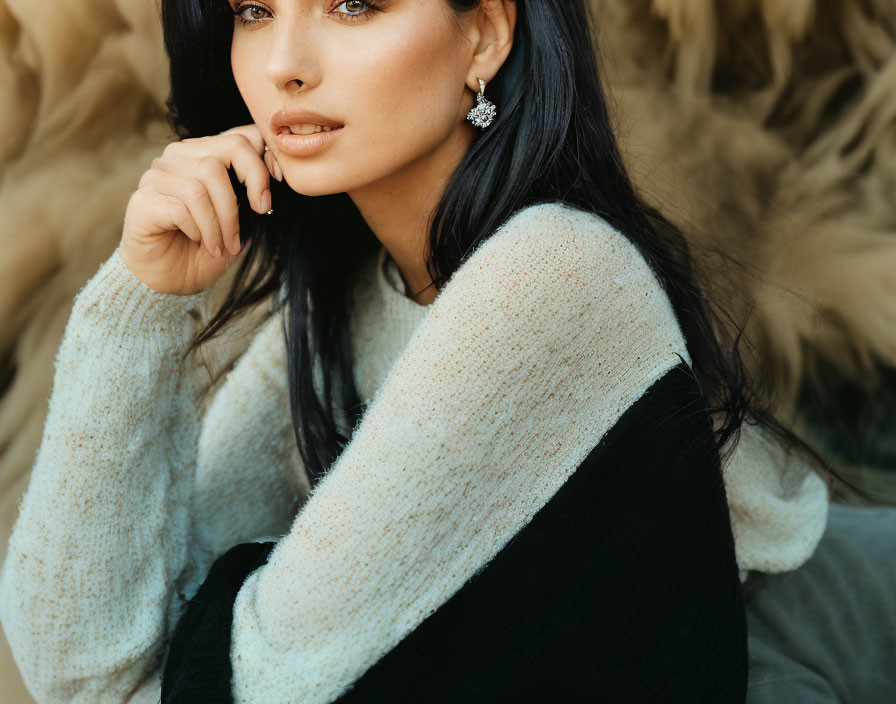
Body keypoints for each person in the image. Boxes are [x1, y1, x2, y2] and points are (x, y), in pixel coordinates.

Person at [0, 0, 892, 701]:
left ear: (485, 37)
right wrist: (136, 301)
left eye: (353, 4)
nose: (283, 68)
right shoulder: (348, 306)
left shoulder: (555, 275)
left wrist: (211, 614)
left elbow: (242, 690)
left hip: (822, 637)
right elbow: (83, 674)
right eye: (253, 10)